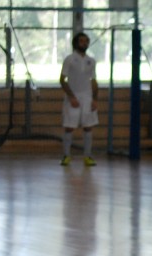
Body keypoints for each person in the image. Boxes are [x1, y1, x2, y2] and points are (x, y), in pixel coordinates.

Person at [59, 32, 99, 167]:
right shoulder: (69, 59)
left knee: (88, 127)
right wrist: (71, 97)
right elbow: (62, 80)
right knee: (69, 127)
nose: (85, 43)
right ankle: (66, 156)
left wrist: (95, 99)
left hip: (87, 96)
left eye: (86, 41)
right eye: (82, 41)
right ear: (76, 43)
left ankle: (87, 156)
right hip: (73, 96)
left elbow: (93, 80)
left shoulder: (91, 61)